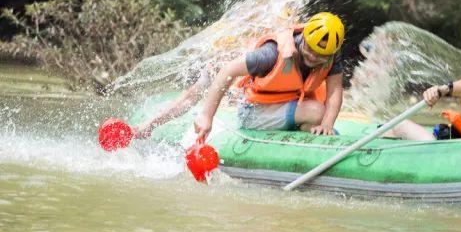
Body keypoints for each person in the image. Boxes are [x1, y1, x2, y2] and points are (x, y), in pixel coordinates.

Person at [134, 12, 346, 141]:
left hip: (284, 103)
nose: (314, 57)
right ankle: (146, 126)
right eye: (310, 50)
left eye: (322, 56)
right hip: (254, 107)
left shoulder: (327, 56)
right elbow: (218, 77)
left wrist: (327, 124)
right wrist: (207, 116)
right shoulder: (270, 53)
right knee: (195, 93)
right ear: (303, 38)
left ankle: (306, 129)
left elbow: (335, 93)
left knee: (319, 117)